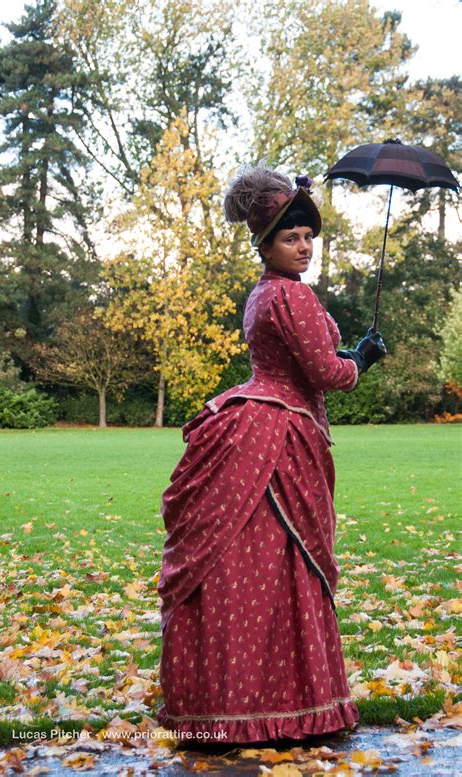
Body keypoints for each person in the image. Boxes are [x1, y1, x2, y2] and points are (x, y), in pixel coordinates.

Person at [156, 163, 386, 744]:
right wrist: (361, 359)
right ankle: (289, 705)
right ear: (266, 243)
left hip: (250, 429)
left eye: (310, 237)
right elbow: (325, 374)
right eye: (291, 238)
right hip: (279, 439)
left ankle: (230, 704)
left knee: (252, 564)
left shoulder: (261, 295)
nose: (304, 247)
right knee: (283, 562)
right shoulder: (293, 296)